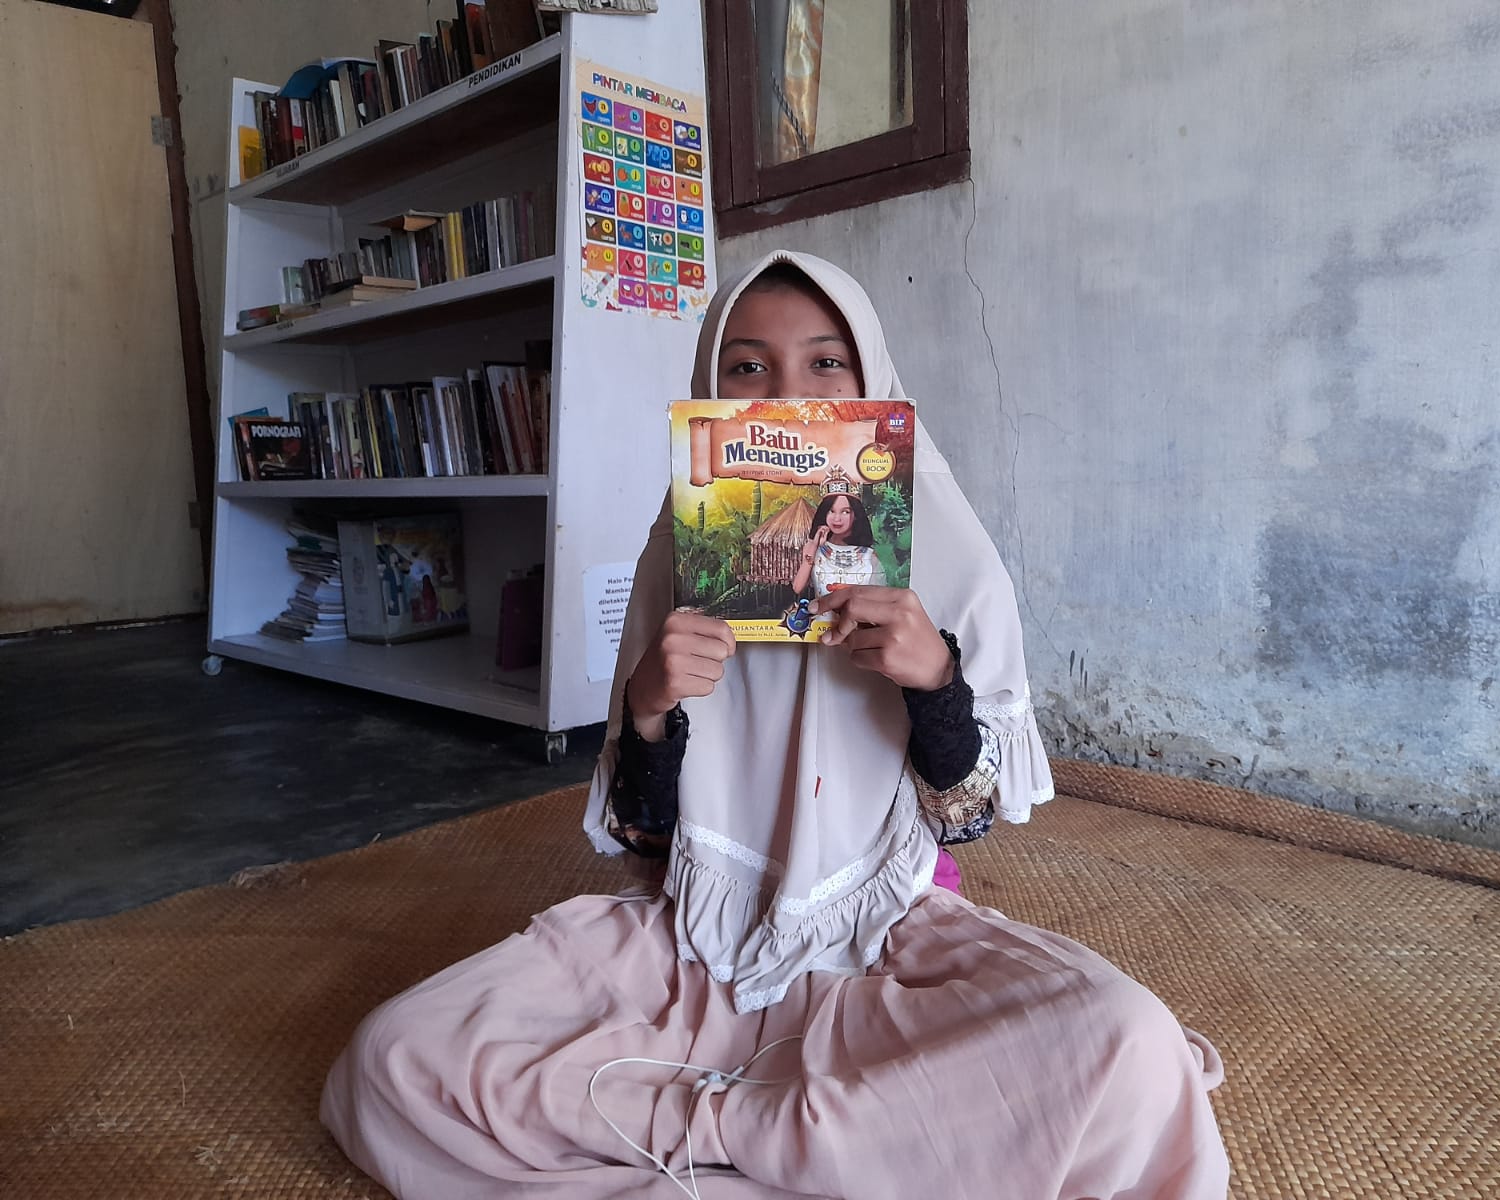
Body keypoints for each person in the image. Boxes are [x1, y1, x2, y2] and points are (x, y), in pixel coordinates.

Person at [321, 251, 1229, 1199]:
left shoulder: (951, 557)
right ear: (710, 385)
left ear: (871, 376)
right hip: (697, 940)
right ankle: (816, 1140)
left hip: (887, 935)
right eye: (748, 367)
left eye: (826, 363)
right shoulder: (680, 554)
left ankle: (716, 1134)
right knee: (397, 1058)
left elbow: (967, 819)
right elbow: (646, 838)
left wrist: (935, 682)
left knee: (1125, 1045)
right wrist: (648, 706)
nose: (789, 396)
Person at [790, 491, 886, 598]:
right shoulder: (813, 549)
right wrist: (814, 546)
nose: (837, 519)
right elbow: (797, 587)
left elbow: (878, 598)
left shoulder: (869, 556)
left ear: (856, 515)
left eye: (845, 512)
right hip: (822, 608)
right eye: (831, 511)